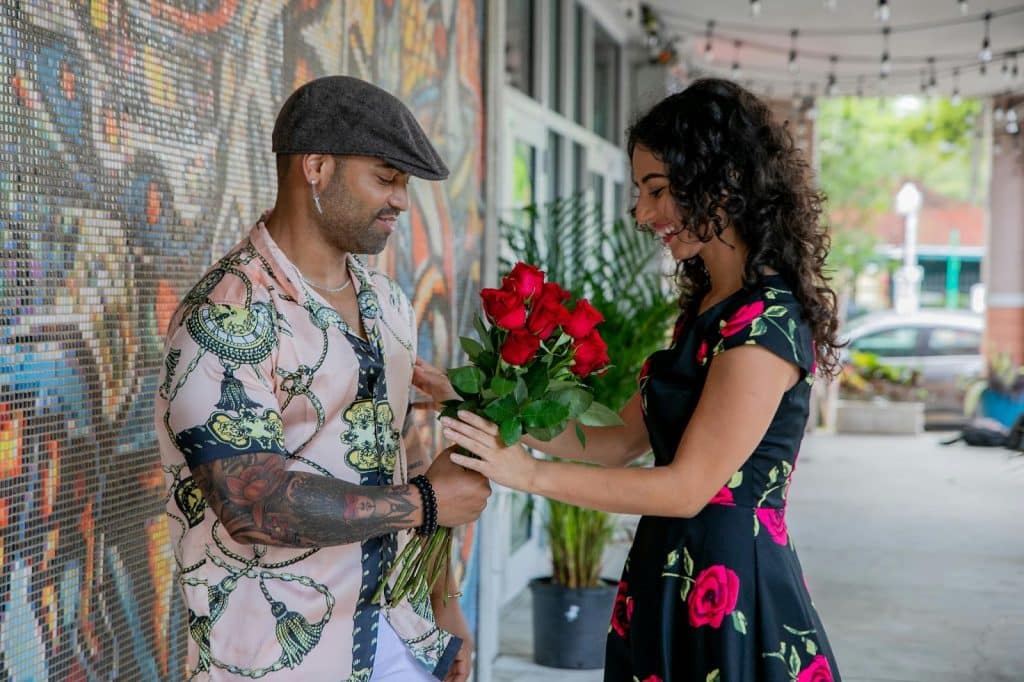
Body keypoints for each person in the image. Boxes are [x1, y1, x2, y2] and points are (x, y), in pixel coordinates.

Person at [424, 78, 843, 681]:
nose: (644, 215)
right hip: (669, 574)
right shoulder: (710, 308)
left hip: (730, 592)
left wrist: (529, 475)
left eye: (657, 191)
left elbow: (687, 488)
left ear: (720, 181)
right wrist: (473, 403)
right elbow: (614, 442)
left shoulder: (766, 322)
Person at [154, 75, 491, 682]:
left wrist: (445, 604)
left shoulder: (387, 302)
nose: (401, 202)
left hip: (397, 634)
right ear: (316, 167)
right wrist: (429, 505)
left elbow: (404, 456)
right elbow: (251, 502)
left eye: (404, 184)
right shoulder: (226, 315)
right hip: (283, 657)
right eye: (386, 179)